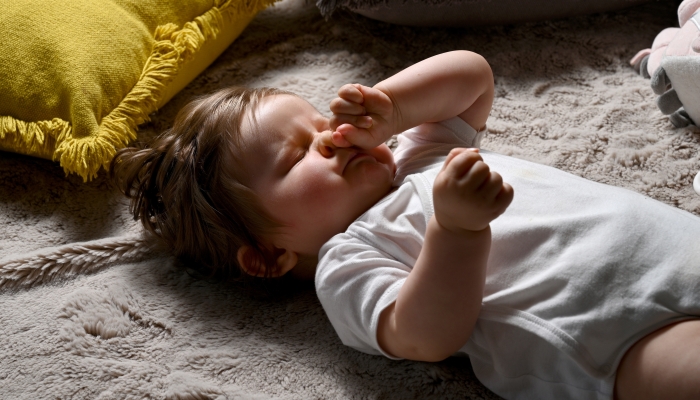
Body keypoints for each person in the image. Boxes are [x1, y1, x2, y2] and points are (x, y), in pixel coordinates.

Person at [112, 51, 700, 400]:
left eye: (320, 121)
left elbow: (472, 77)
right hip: (620, 336)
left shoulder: (418, 154)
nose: (331, 135)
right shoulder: (346, 261)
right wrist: (456, 231)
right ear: (268, 254)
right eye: (297, 157)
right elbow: (423, 336)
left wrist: (391, 106)